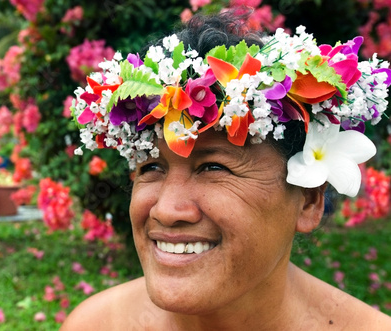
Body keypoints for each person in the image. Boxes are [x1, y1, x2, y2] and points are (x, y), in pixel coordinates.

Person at [62, 10, 391, 330]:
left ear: (307, 201)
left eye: (214, 167)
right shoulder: (96, 324)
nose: (166, 210)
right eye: (152, 167)